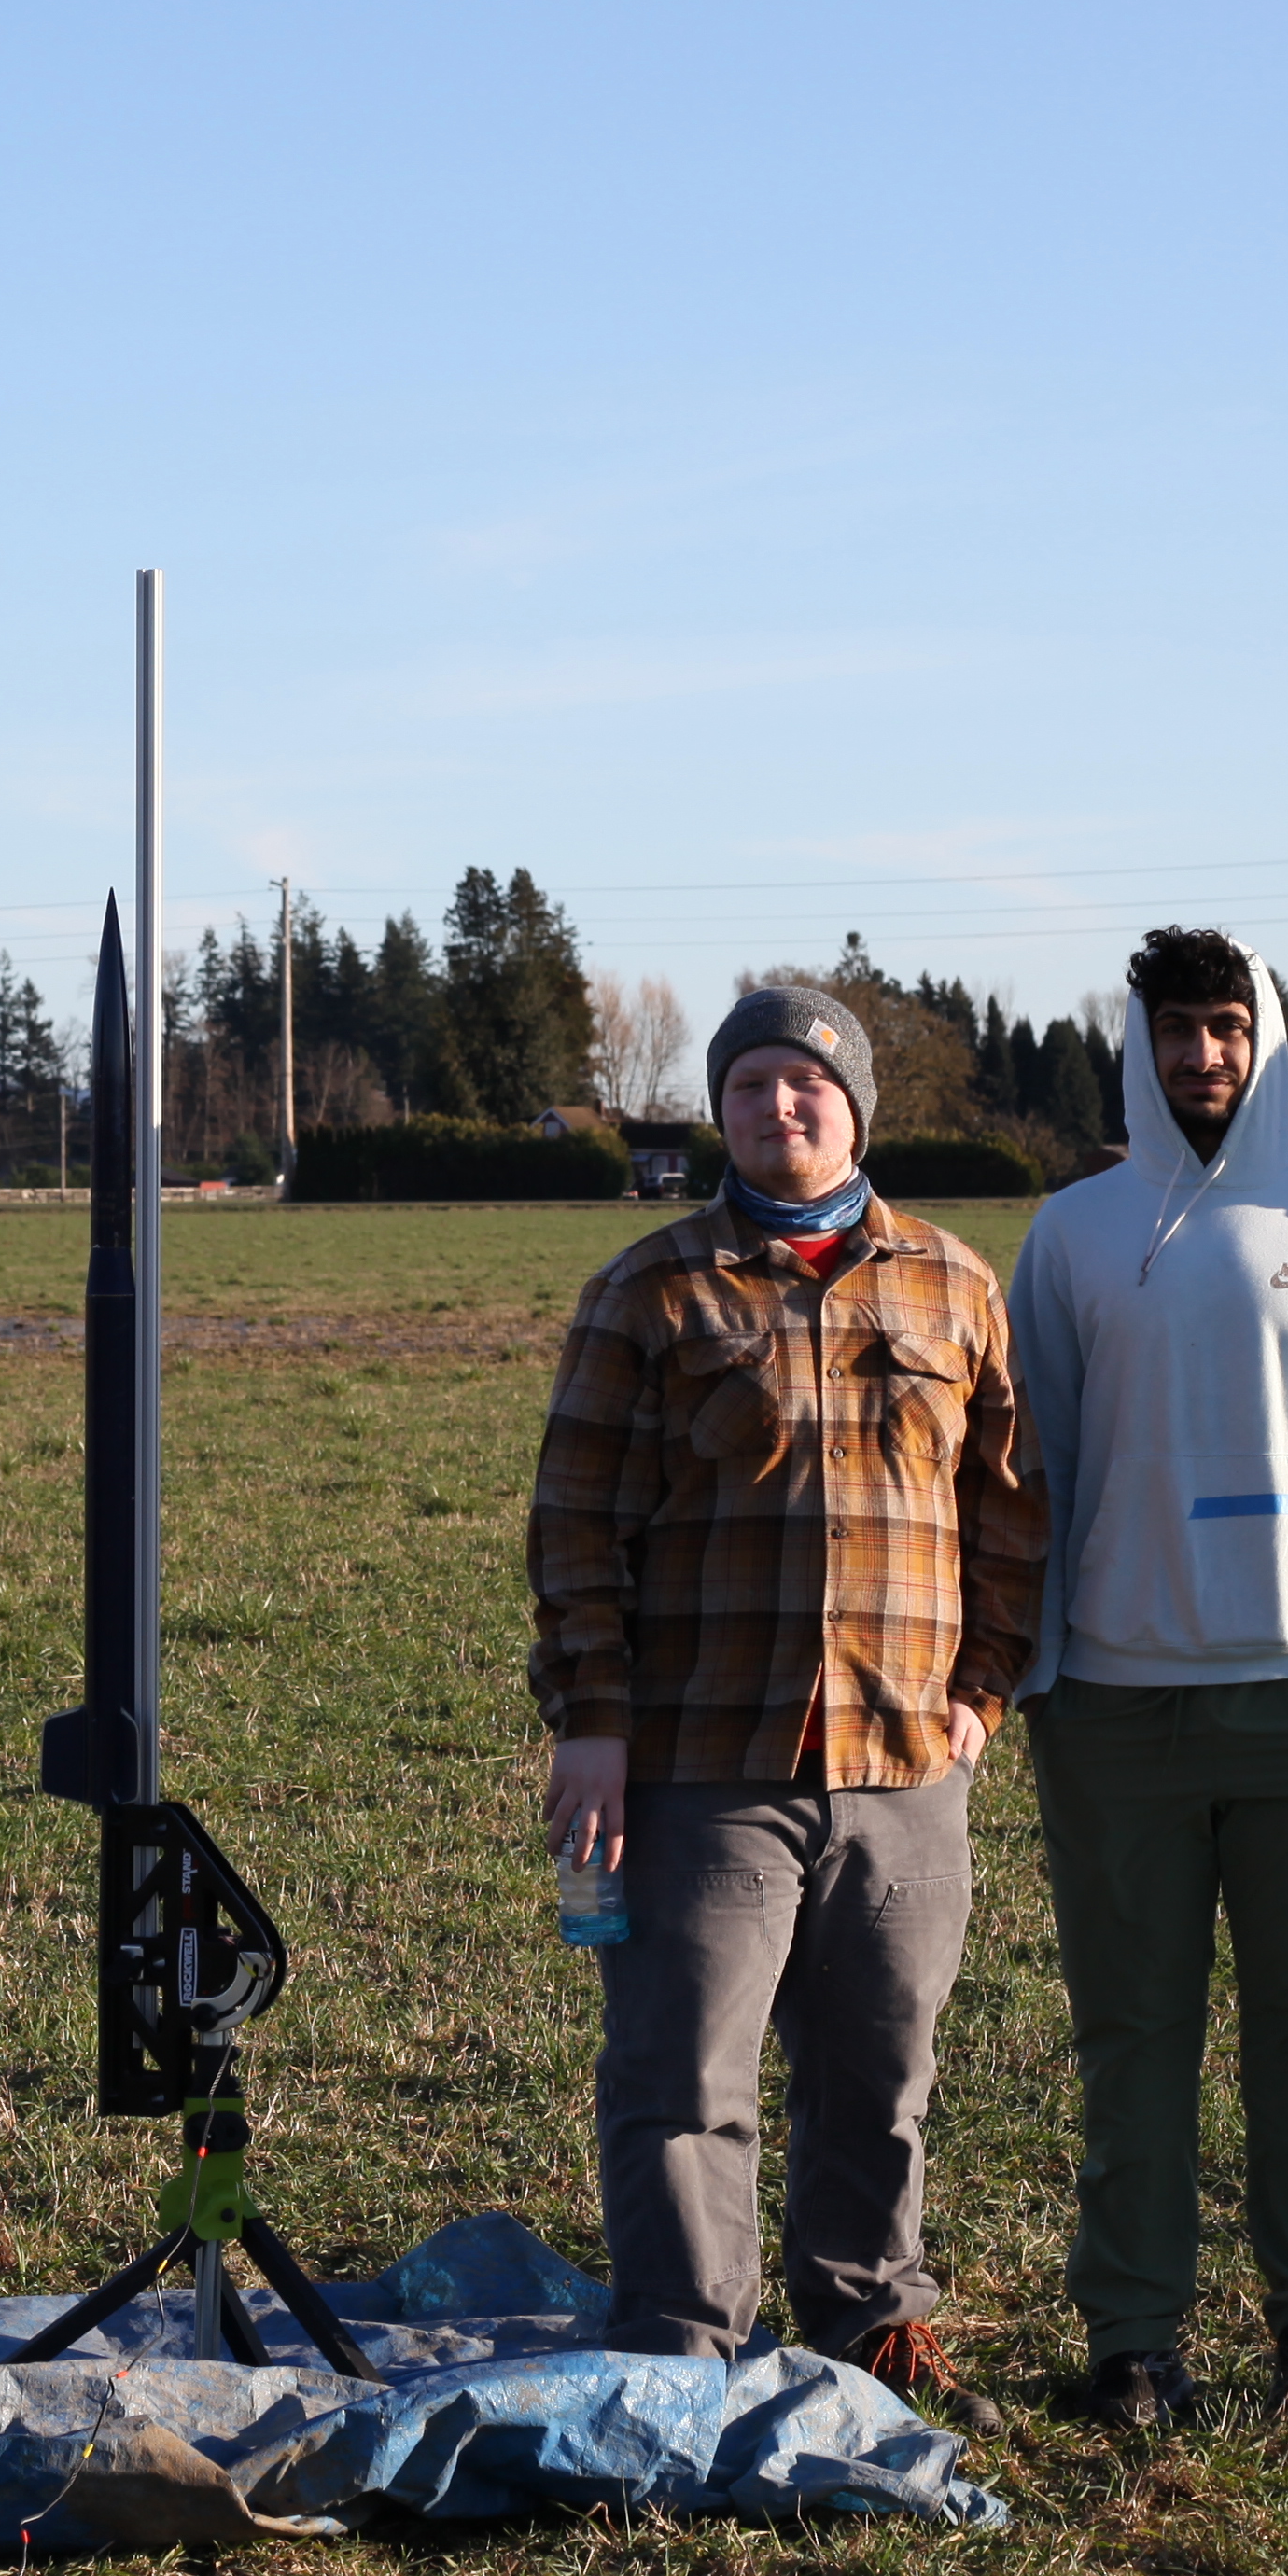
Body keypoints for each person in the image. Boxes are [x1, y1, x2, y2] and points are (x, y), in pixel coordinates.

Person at [528, 982, 1046, 2398]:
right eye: (750, 1085)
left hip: (906, 1755)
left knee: (882, 2069)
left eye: (806, 1083)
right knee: (684, 2075)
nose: (779, 1106)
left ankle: (869, 2317)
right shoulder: (652, 1288)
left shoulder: (953, 1284)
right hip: (704, 1756)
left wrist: (984, 1690)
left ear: (857, 1107)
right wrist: (592, 1720)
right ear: (722, 1111)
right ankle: (685, 2346)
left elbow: (1010, 1512)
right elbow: (575, 1522)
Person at [1004, 929, 1288, 2430]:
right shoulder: (1071, 1235)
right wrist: (1043, 1670)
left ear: (1266, 1039)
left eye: (1228, 1027)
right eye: (1178, 1029)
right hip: (1114, 1711)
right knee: (1134, 2037)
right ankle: (1133, 2338)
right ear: (1141, 1042)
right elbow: (1036, 1468)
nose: (1203, 1055)